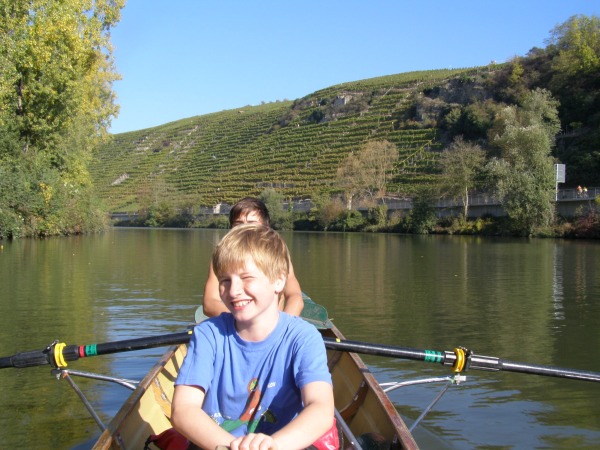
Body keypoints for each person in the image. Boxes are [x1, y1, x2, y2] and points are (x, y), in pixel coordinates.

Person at [172, 224, 336, 450]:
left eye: (246, 278)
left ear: (278, 281)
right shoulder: (208, 334)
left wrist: (272, 445)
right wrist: (233, 447)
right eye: (225, 280)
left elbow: (320, 408)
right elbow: (183, 410)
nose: (233, 291)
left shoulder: (304, 338)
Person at [202, 197, 304, 317]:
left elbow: (295, 297)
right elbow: (209, 304)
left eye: (252, 223)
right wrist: (246, 317)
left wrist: (284, 327)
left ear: (266, 227)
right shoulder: (221, 256)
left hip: (273, 328)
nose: (244, 229)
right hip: (236, 325)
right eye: (238, 224)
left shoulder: (278, 253)